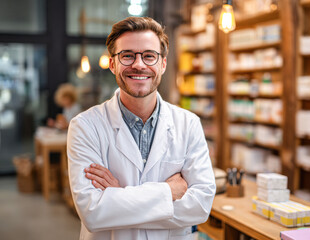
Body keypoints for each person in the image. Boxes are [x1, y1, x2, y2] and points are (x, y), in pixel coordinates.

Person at [67, 16, 216, 240]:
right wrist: (168, 192)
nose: (139, 64)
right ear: (113, 64)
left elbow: (201, 206)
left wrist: (117, 197)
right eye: (127, 56)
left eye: (149, 56)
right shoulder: (85, 126)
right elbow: (93, 213)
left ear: (163, 64)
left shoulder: (188, 124)